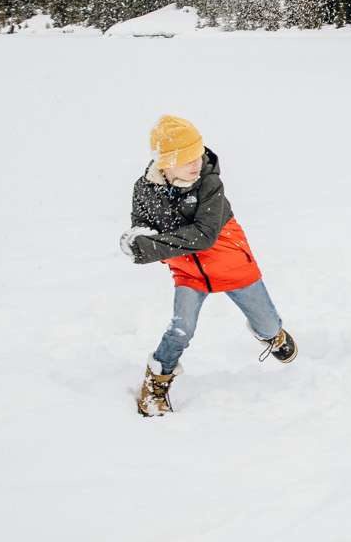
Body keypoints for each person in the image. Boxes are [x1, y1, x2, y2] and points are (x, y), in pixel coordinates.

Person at [123, 116, 295, 415]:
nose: (196, 163)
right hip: (188, 270)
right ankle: (156, 382)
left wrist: (151, 247)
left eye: (198, 154)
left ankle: (271, 334)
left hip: (231, 264)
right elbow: (142, 228)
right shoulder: (145, 189)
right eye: (186, 158)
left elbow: (204, 236)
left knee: (267, 322)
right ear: (165, 163)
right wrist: (135, 241)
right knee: (181, 329)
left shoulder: (209, 183)